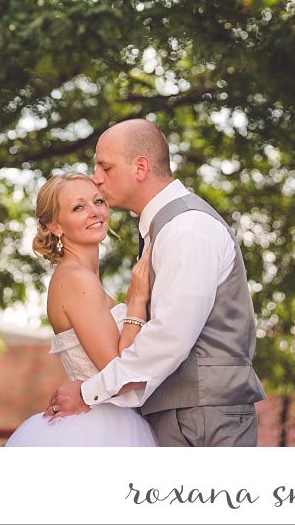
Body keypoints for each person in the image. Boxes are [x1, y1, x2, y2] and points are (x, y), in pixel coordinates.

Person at [47, 118, 265, 446]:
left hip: (200, 419)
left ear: (140, 167)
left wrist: (88, 392)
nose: (97, 178)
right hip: (183, 416)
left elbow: (169, 337)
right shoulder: (164, 230)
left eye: (105, 167)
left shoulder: (186, 229)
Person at [5, 171, 157, 446]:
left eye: (98, 201)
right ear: (55, 226)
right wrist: (136, 303)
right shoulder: (76, 279)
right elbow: (118, 369)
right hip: (98, 428)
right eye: (78, 207)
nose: (94, 212)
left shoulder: (81, 277)